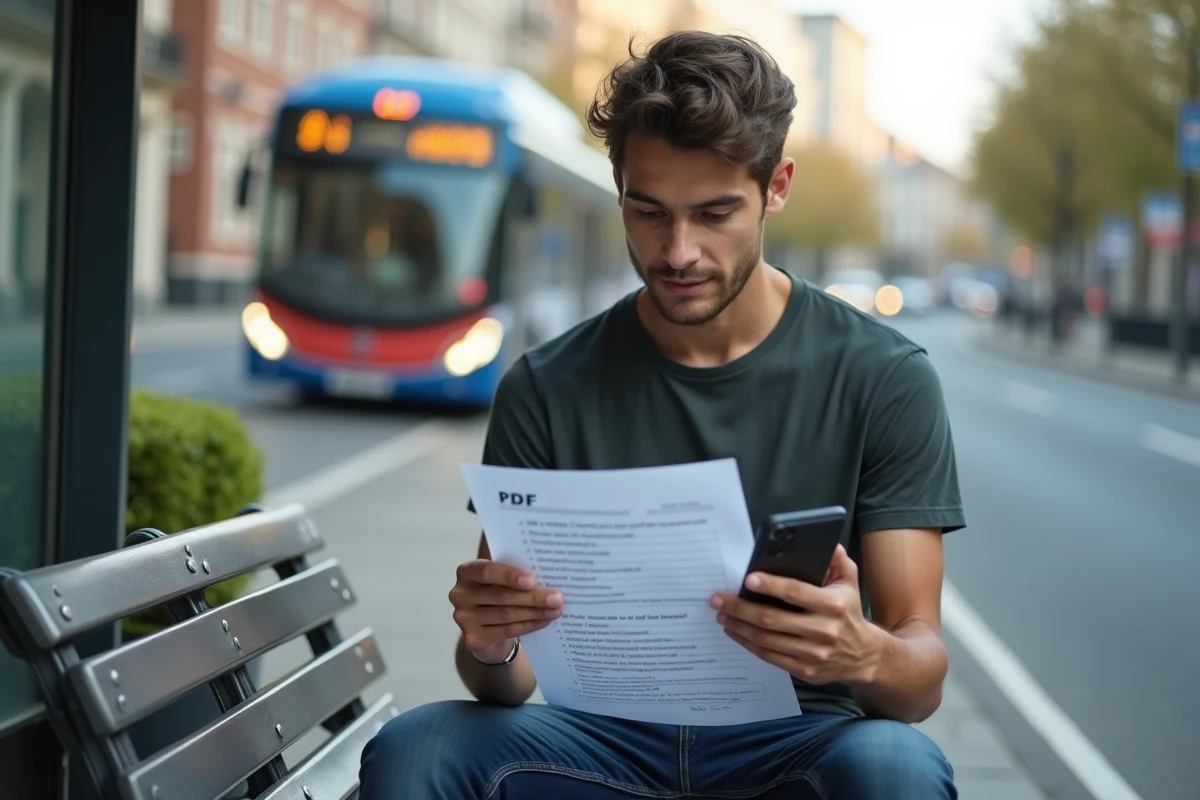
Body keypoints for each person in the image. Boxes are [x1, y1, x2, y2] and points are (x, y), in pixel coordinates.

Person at [359, 30, 965, 799]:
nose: (678, 251)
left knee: (894, 764)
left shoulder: (885, 378)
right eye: (649, 212)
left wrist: (861, 653)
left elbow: (920, 681)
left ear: (776, 187)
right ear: (618, 188)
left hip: (798, 747)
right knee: (418, 747)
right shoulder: (545, 386)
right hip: (599, 746)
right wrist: (489, 645)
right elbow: (502, 687)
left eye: (715, 213)